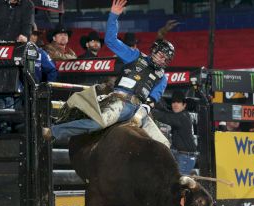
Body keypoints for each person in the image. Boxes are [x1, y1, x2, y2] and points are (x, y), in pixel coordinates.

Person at [42, 0, 175, 143]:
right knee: (98, 123)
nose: (162, 59)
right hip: (119, 102)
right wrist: (113, 16)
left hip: (139, 109)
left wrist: (141, 113)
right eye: (161, 55)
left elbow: (152, 100)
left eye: (166, 58)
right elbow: (111, 41)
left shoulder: (162, 78)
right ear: (154, 51)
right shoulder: (135, 56)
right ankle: (54, 131)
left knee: (164, 143)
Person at [152, 91, 196, 175]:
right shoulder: (179, 115)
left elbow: (165, 117)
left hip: (185, 157)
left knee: (178, 184)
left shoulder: (183, 117)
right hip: (179, 154)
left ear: (184, 105)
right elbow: (165, 110)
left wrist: (149, 110)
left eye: (178, 102)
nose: (175, 104)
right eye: (173, 102)